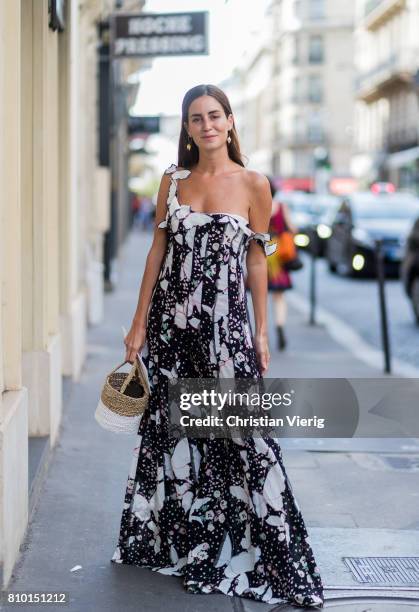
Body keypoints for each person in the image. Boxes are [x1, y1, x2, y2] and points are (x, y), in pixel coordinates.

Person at [111, 84, 324, 609]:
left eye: (214, 116)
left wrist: (260, 329)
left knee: (241, 438)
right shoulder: (173, 181)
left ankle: (242, 546)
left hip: (225, 331)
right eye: (195, 118)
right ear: (186, 128)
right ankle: (179, 540)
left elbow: (257, 259)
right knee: (172, 436)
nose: (206, 125)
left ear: (229, 122)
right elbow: (157, 250)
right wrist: (138, 323)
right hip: (170, 329)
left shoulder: (255, 183)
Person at [266, 179, 298, 350]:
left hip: (262, 251)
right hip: (279, 252)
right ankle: (279, 325)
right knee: (279, 296)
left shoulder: (257, 205)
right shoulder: (281, 206)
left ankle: (262, 332)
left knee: (260, 294)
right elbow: (292, 228)